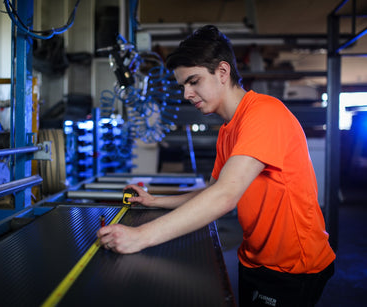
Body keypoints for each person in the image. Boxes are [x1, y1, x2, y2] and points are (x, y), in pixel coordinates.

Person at [97, 25, 335, 306]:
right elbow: (213, 191)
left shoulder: (265, 115)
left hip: (293, 267)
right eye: (183, 85)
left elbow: (225, 198)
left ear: (223, 72)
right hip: (255, 259)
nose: (186, 93)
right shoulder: (228, 130)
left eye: (194, 81)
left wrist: (140, 237)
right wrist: (154, 201)